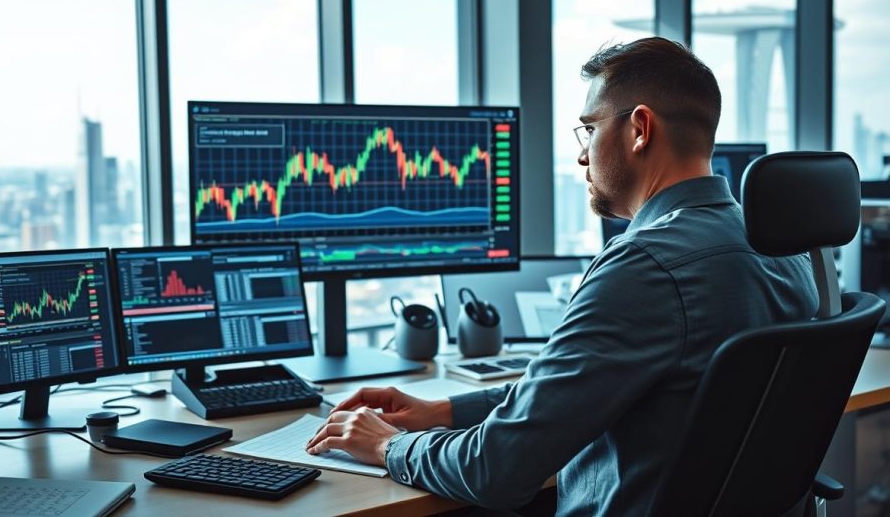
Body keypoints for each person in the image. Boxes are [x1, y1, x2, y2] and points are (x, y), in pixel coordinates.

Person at [305, 37, 819, 515]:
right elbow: (577, 389)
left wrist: (386, 444)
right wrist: (441, 411)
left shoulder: (646, 266)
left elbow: (495, 471)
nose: (581, 153)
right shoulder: (783, 247)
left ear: (639, 129)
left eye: (590, 129)